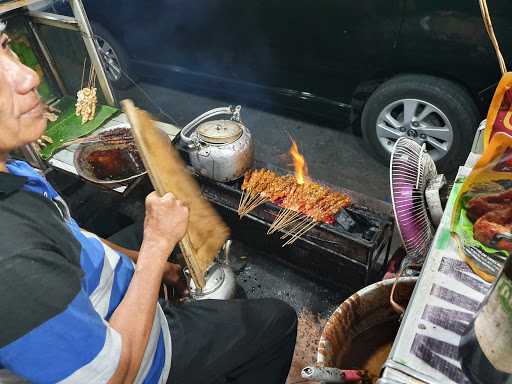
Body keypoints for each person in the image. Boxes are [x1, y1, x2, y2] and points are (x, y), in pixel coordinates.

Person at [0, 23, 297, 384]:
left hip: (104, 295)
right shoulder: (9, 259)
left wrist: (146, 262)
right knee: (278, 321)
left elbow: (74, 239)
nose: (28, 76)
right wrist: (157, 246)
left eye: (5, 46)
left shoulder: (11, 172)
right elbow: (112, 376)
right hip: (140, 361)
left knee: (143, 228)